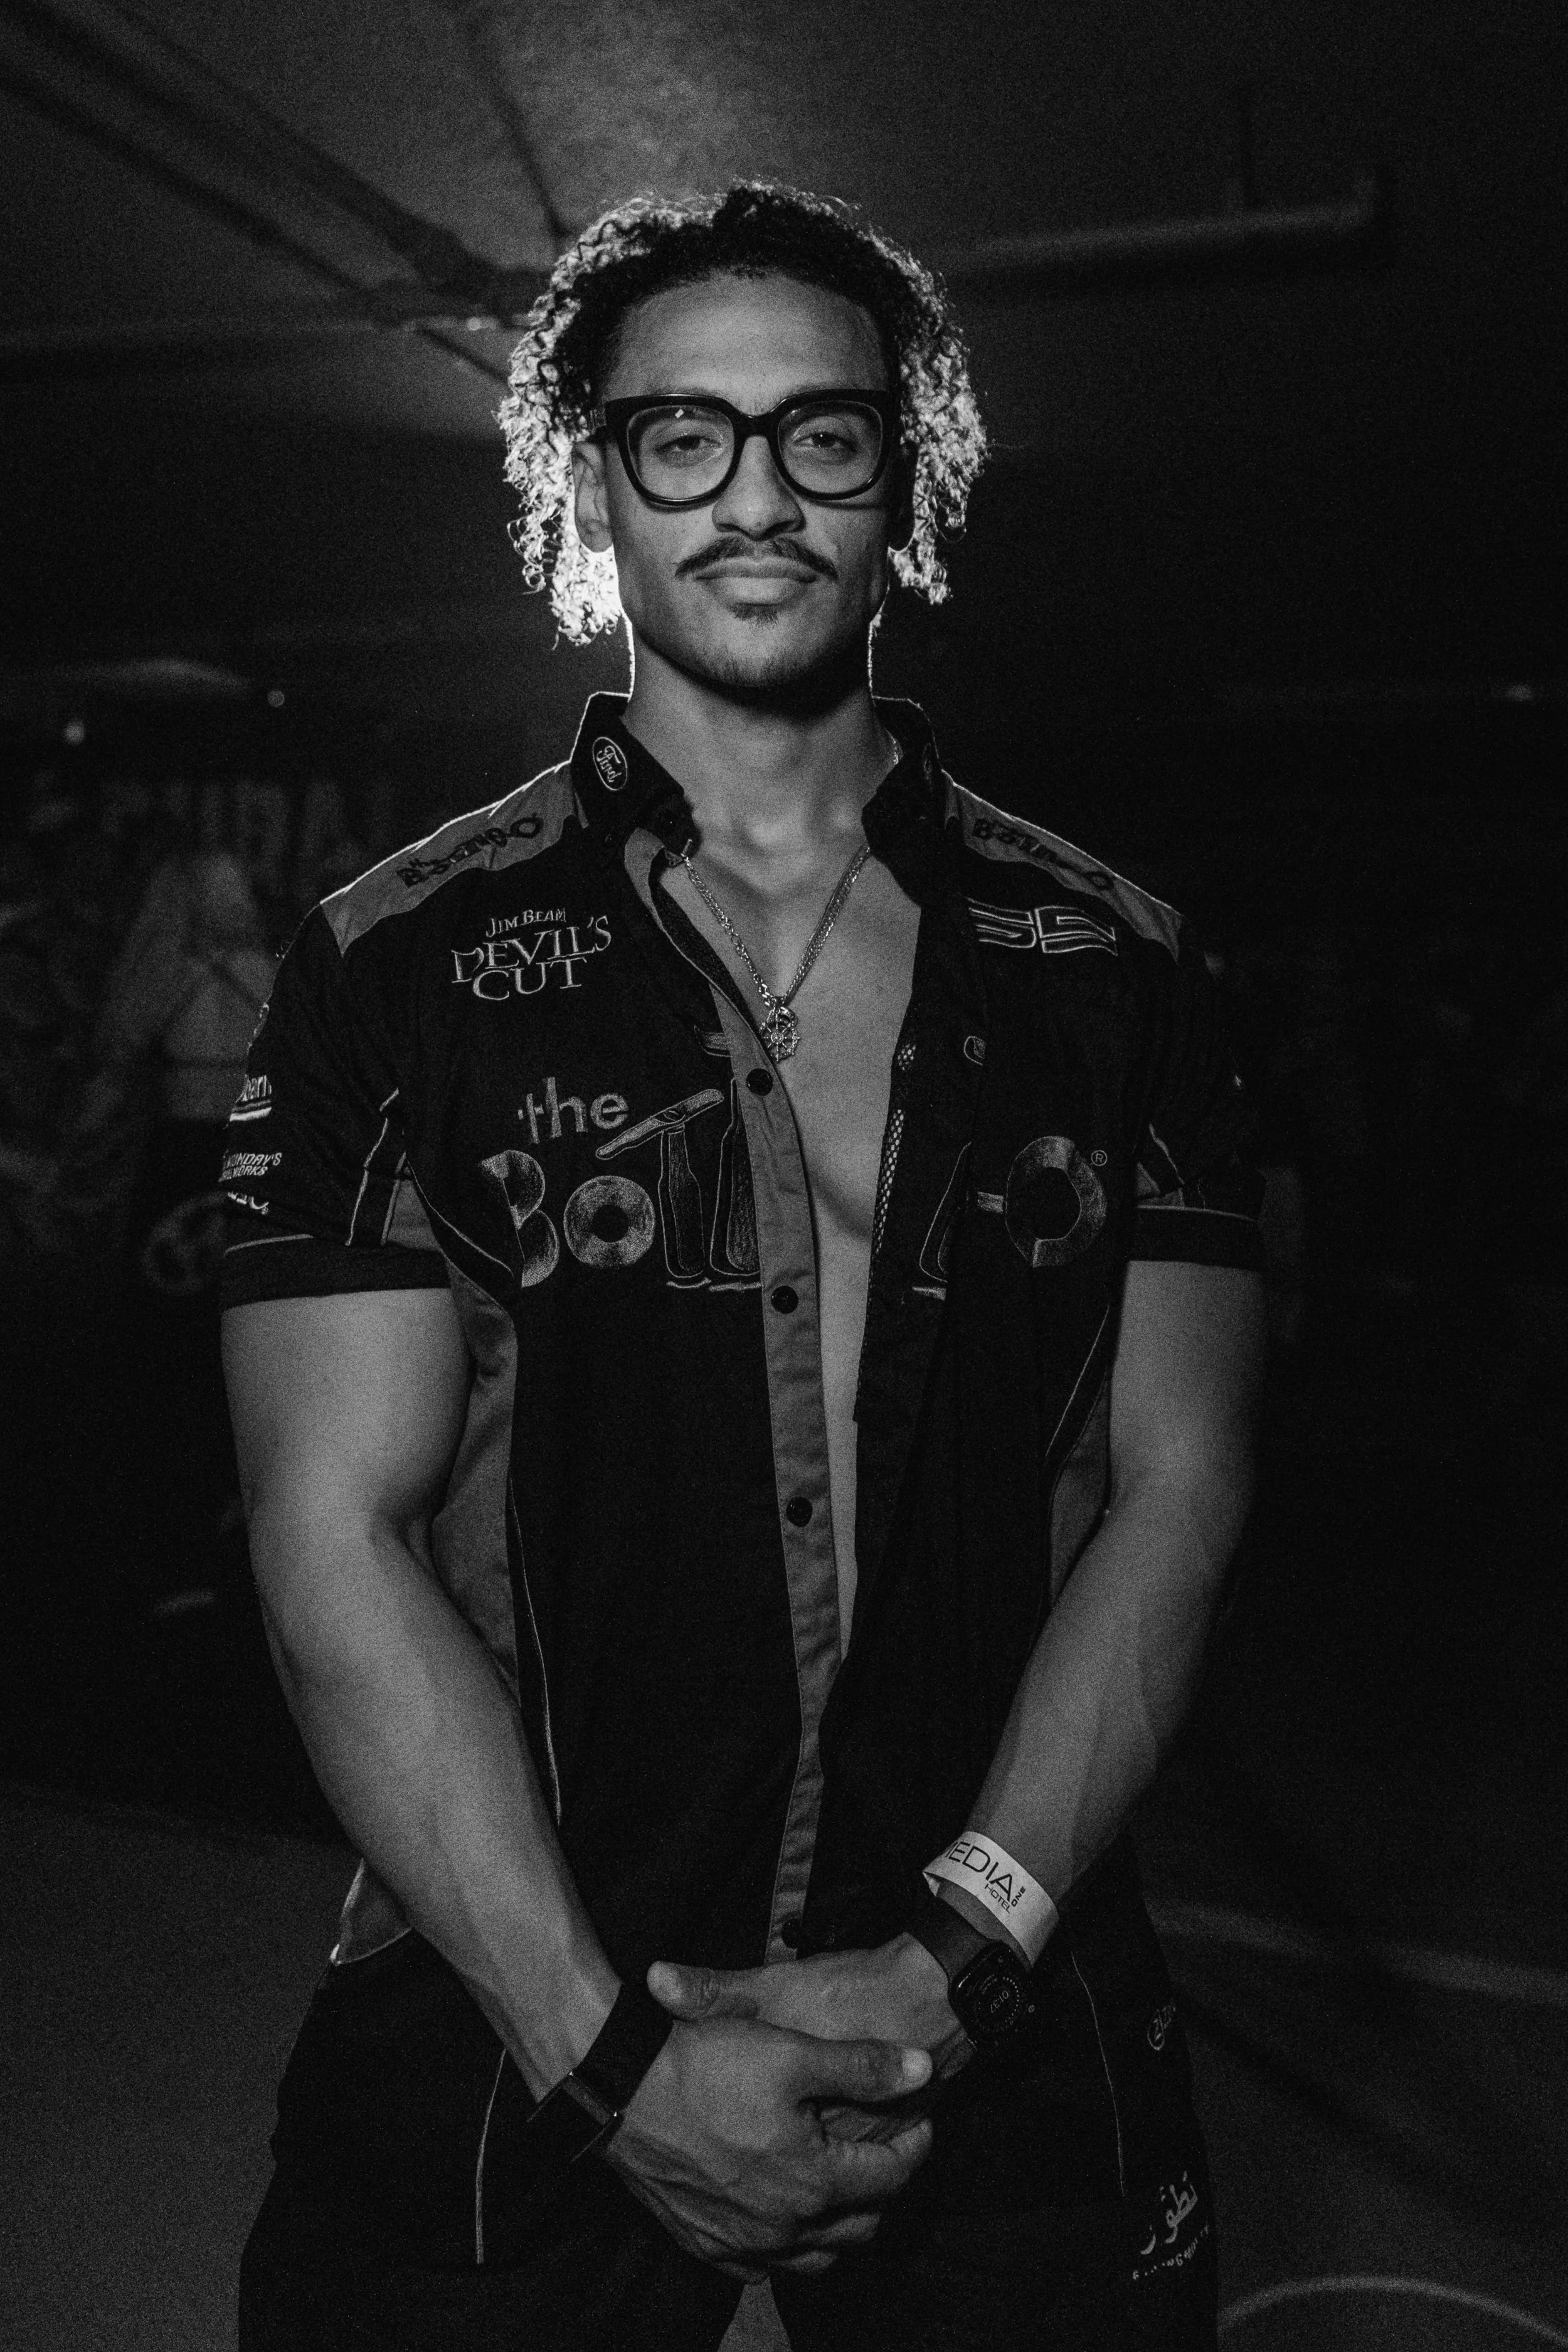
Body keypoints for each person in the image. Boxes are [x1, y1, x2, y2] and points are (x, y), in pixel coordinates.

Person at [223, 182, 1266, 2351]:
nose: (756, 493)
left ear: (908, 468)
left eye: (823, 432)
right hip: (517, 1976)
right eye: (680, 435)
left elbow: (1178, 1482)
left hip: (995, 1959)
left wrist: (959, 1946)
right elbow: (333, 1528)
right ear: (589, 479)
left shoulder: (1121, 969)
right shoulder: (388, 969)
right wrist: (606, 2054)